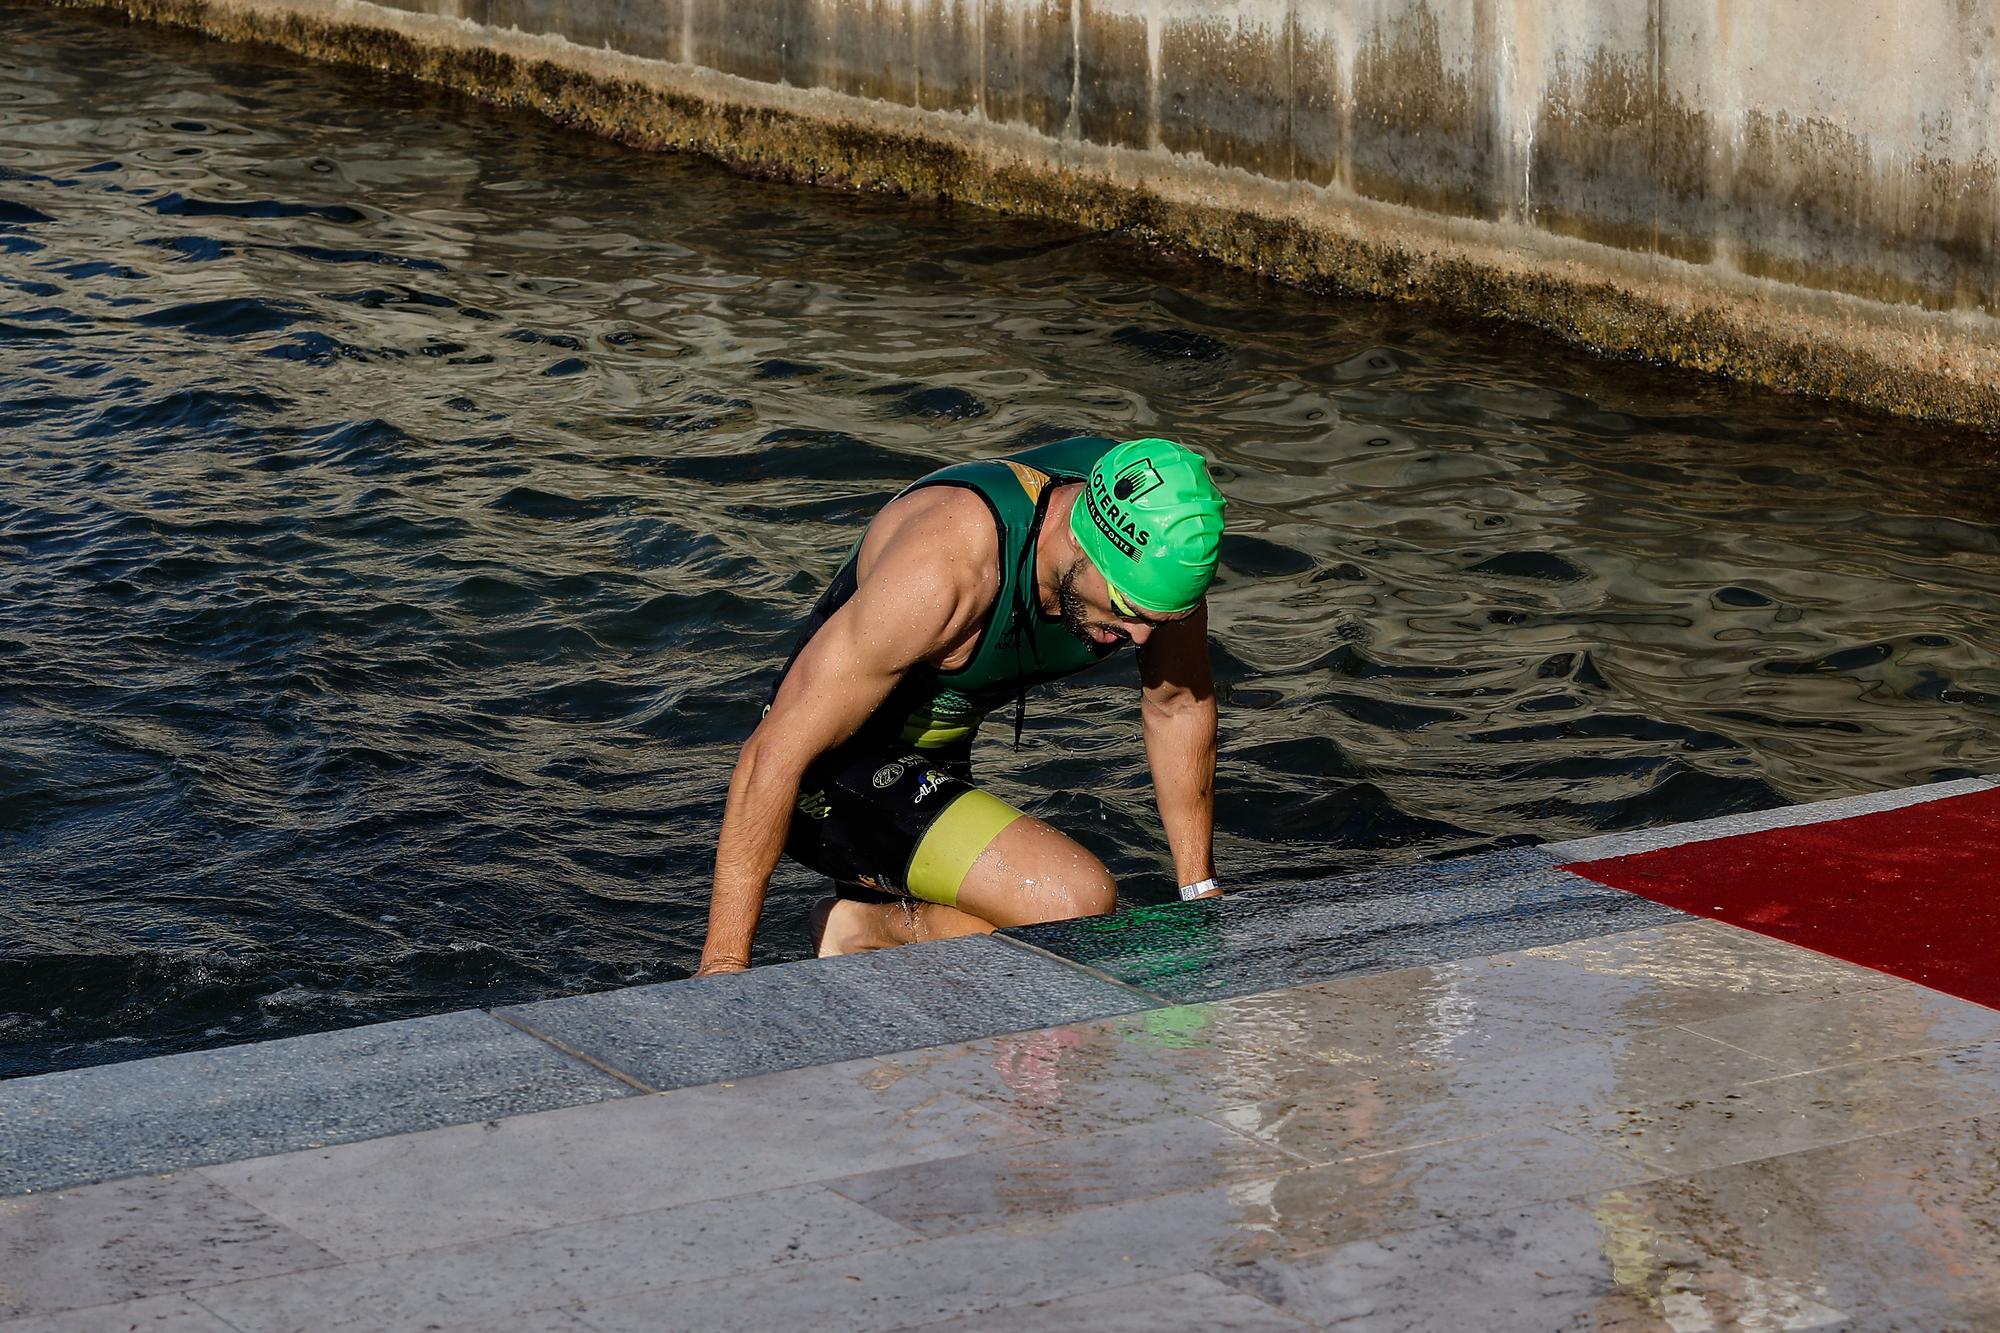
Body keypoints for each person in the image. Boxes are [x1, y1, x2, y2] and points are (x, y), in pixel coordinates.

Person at [694, 435, 1227, 976]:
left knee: (1060, 952)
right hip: (828, 772)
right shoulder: (946, 566)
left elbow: (1178, 706)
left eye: (1159, 620)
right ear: (1081, 540)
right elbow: (774, 755)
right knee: (1070, 903)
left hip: (937, 758)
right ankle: (860, 931)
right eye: (1125, 609)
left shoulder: (1160, 535)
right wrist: (724, 966)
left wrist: (1199, 890)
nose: (1140, 638)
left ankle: (884, 927)